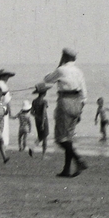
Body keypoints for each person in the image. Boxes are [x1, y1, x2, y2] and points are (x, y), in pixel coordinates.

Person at [41, 48, 88, 177]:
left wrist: (59, 64)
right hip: (77, 102)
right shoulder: (79, 71)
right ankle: (66, 169)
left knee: (60, 138)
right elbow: (84, 94)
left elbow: (47, 79)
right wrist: (80, 111)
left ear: (64, 57)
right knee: (69, 138)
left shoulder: (61, 70)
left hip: (65, 101)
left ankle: (78, 160)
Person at [32, 85, 52, 154]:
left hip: (37, 120)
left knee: (40, 136)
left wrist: (37, 117)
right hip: (44, 120)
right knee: (45, 137)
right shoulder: (44, 101)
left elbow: (32, 112)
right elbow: (44, 112)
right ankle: (44, 154)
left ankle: (32, 147)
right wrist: (43, 122)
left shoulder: (34, 101)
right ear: (44, 93)